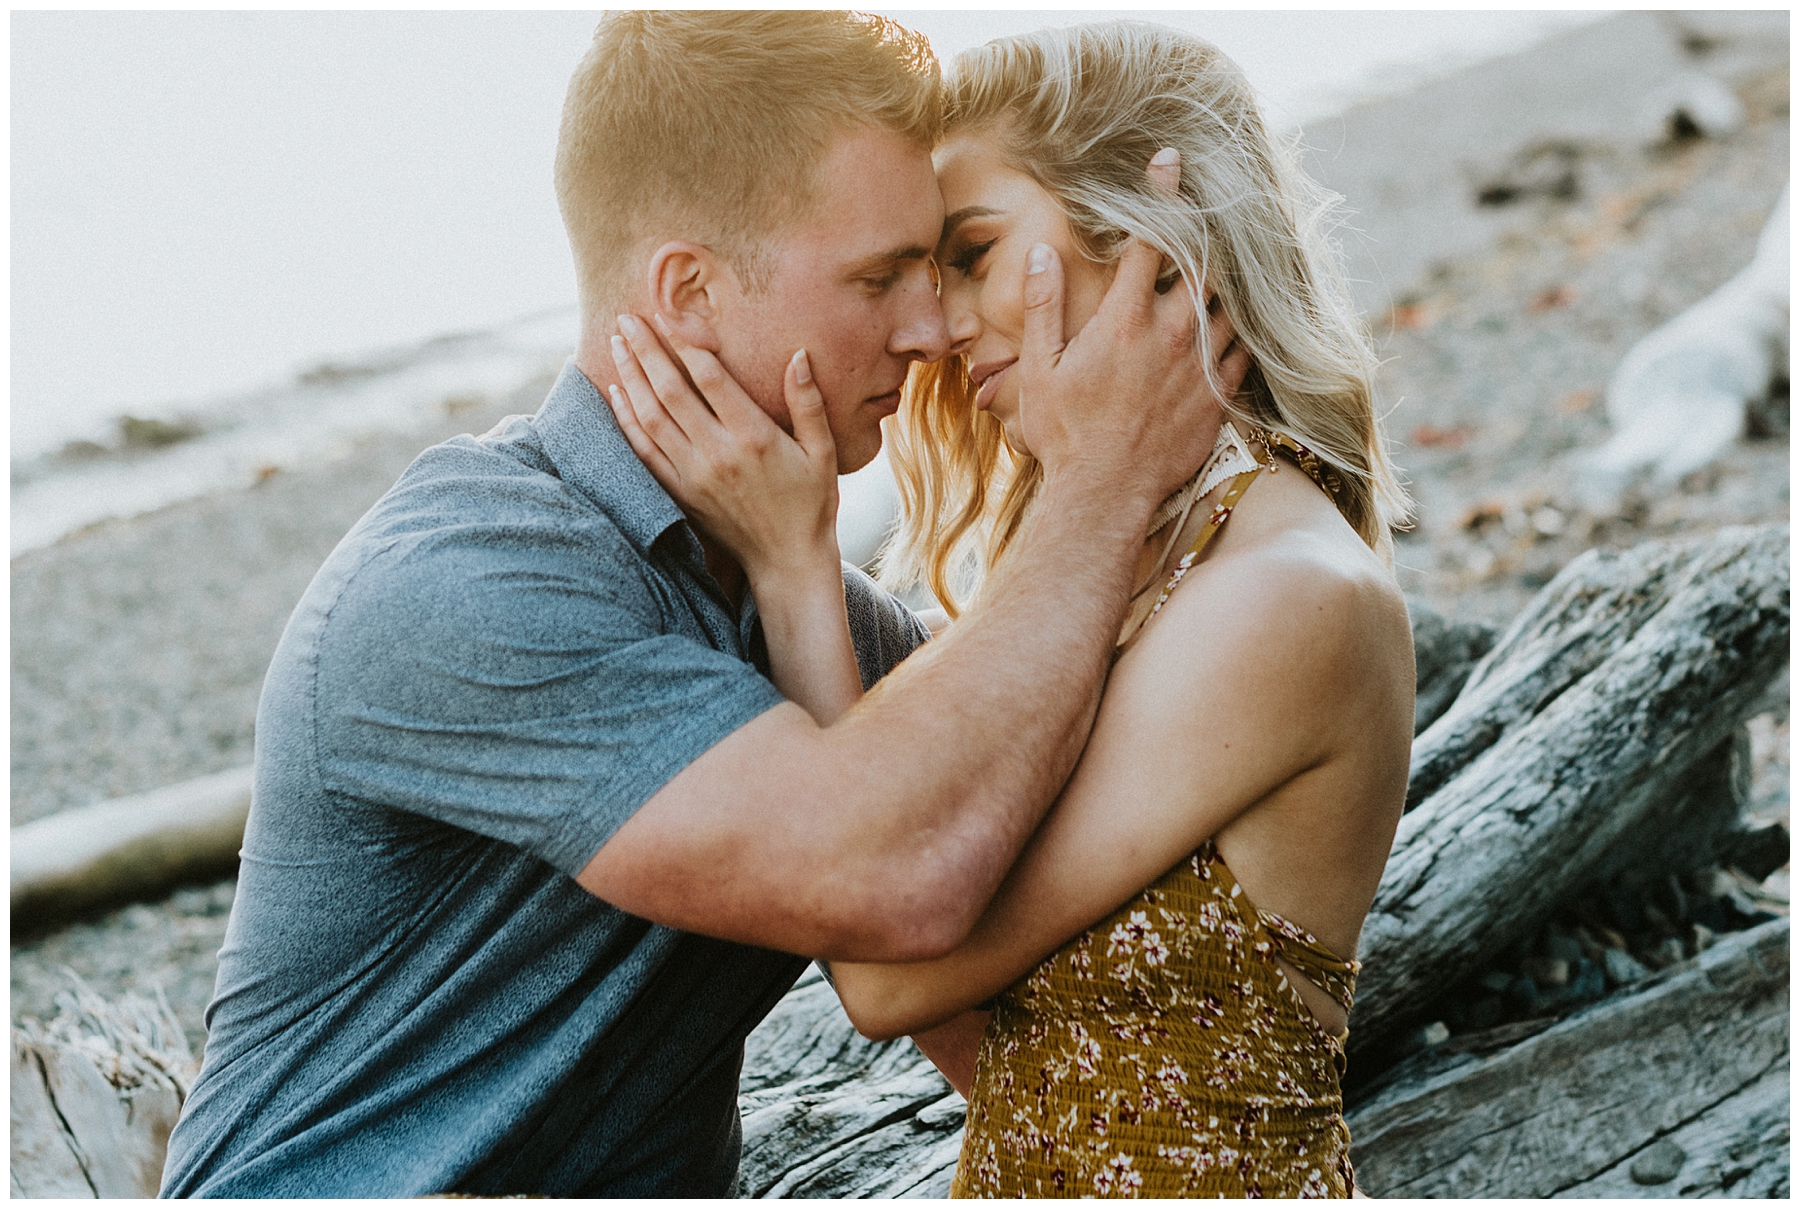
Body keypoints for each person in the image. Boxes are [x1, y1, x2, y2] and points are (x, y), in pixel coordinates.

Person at [158, 12, 1235, 1198]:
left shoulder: (825, 620)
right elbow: (895, 880)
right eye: (878, 278)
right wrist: (1105, 479)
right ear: (687, 288)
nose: (929, 332)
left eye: (936, 270)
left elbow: (985, 1031)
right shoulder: (467, 582)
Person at [606, 20, 1415, 1199]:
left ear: (1149, 236)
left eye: (972, 253)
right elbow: (988, 1035)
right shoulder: (1115, 557)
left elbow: (888, 974)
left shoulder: (1285, 596)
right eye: (918, 274)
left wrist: (795, 575)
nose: (937, 327)